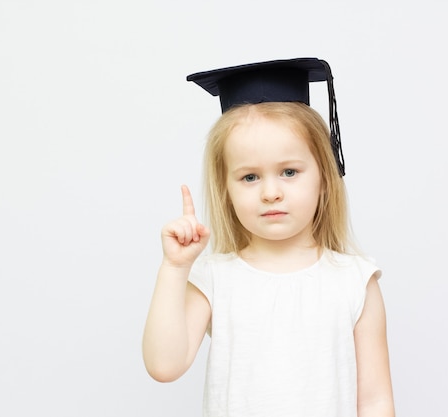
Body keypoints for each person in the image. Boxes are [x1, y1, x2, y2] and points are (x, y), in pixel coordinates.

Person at [142, 58, 395, 417]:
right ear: (225, 189)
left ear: (324, 178)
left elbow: (374, 400)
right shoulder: (214, 278)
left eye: (289, 171)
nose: (271, 192)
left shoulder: (355, 280)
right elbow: (164, 366)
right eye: (249, 177)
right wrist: (174, 267)